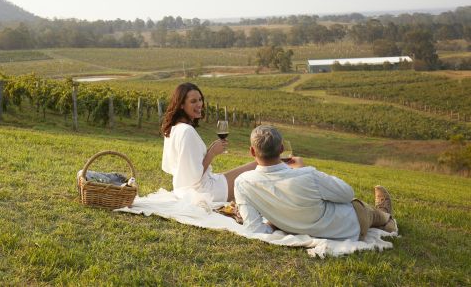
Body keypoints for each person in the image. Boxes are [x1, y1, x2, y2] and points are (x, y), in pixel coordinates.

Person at [234, 125, 397, 240]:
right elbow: (347, 194)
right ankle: (385, 217)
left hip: (311, 227)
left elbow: (254, 229)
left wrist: (277, 222)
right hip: (349, 228)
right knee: (363, 209)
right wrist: (301, 169)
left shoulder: (242, 183)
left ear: (252, 151)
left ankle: (382, 217)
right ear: (281, 148)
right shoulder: (307, 175)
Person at [161, 82, 257, 202]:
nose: (199, 104)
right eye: (193, 101)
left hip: (182, 190)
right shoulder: (187, 131)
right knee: (259, 165)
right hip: (204, 192)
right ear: (181, 105)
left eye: (200, 100)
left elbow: (177, 166)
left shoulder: (173, 129)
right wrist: (212, 153)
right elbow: (194, 176)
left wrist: (209, 150)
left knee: (255, 167)